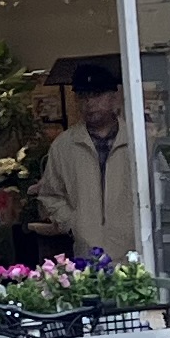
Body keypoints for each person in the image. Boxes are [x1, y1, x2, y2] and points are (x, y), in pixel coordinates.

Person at [23, 57, 141, 267]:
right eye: (83, 97)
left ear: (114, 97)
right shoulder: (64, 145)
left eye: (96, 95)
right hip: (87, 255)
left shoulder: (138, 141)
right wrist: (73, 223)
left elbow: (160, 192)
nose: (89, 103)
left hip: (136, 253)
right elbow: (50, 194)